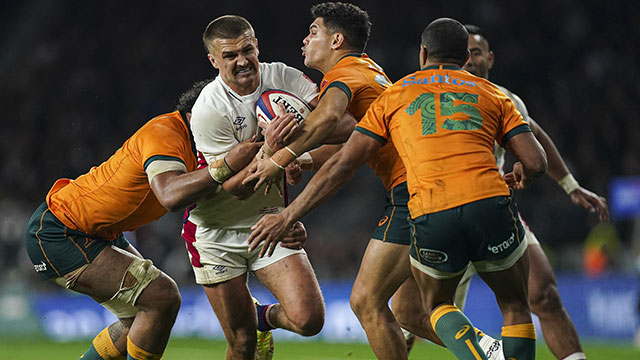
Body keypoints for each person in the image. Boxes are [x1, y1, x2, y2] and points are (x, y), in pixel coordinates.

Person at [248, 18, 549, 360]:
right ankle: (493, 352)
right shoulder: (377, 74)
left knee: (368, 300)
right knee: (415, 311)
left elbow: (335, 130)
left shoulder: (364, 82)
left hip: (419, 195)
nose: (305, 39)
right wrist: (302, 161)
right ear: (465, 58)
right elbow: (536, 160)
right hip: (483, 198)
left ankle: (489, 356)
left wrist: (279, 161)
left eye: (313, 32)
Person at [391, 24, 610, 360]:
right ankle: (488, 351)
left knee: (544, 296)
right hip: (438, 208)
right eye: (468, 53)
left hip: (491, 211)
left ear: (487, 59)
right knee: (411, 318)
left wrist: (569, 184)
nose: (470, 61)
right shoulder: (421, 96)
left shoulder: (502, 98)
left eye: (477, 53)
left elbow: (535, 137)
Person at [24, 79, 268, 360]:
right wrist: (225, 166)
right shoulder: (165, 132)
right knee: (161, 298)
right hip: (60, 230)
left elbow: (222, 197)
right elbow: (169, 194)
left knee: (140, 321)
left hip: (97, 232)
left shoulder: (202, 148)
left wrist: (284, 215)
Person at [185, 15, 356, 359]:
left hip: (269, 221)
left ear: (256, 45)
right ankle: (254, 322)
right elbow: (234, 187)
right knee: (242, 343)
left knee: (309, 320)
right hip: (216, 232)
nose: (242, 60)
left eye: (247, 50)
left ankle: (262, 317)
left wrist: (297, 156)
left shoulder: (284, 77)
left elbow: (344, 127)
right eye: (230, 55)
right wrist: (272, 149)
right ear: (214, 61)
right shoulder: (209, 108)